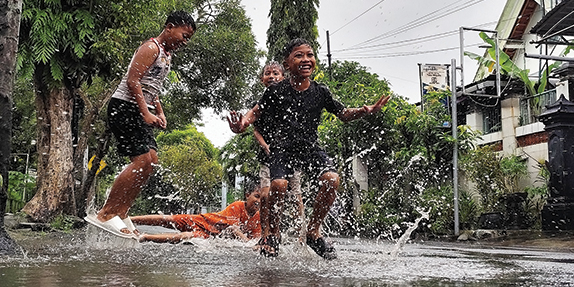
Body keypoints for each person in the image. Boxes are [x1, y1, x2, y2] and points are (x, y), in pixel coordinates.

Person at [229, 38, 390, 259]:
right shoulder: (276, 91)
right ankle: (272, 235)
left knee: (332, 179)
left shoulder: (320, 92)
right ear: (287, 64)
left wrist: (364, 110)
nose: (306, 60)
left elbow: (343, 114)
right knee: (278, 184)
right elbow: (255, 113)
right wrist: (241, 124)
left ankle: (313, 232)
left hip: (309, 148)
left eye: (310, 55)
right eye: (299, 56)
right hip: (281, 149)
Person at [86, 11, 196, 238]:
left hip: (140, 110)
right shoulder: (151, 48)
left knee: (151, 161)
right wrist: (145, 113)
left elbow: (152, 89)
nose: (185, 42)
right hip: (124, 107)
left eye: (188, 39)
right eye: (184, 35)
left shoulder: (167, 55)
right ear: (169, 27)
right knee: (141, 160)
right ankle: (105, 213)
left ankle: (122, 211)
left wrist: (160, 112)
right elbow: (133, 80)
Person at [250, 62, 305, 238]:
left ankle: (301, 236)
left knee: (295, 197)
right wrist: (266, 146)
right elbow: (256, 130)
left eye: (276, 73)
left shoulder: (290, 100)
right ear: (262, 79)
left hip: (291, 156)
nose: (272, 76)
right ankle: (267, 235)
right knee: (265, 196)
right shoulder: (259, 104)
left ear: (283, 78)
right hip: (268, 156)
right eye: (268, 73)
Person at [129, 183, 265, 243]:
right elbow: (233, 229)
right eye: (257, 196)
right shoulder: (238, 206)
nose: (259, 201)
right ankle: (130, 219)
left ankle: (144, 237)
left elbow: (255, 237)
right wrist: (248, 243)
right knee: (169, 219)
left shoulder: (259, 217)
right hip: (204, 221)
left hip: (210, 235)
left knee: (186, 236)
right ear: (247, 195)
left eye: (263, 198)